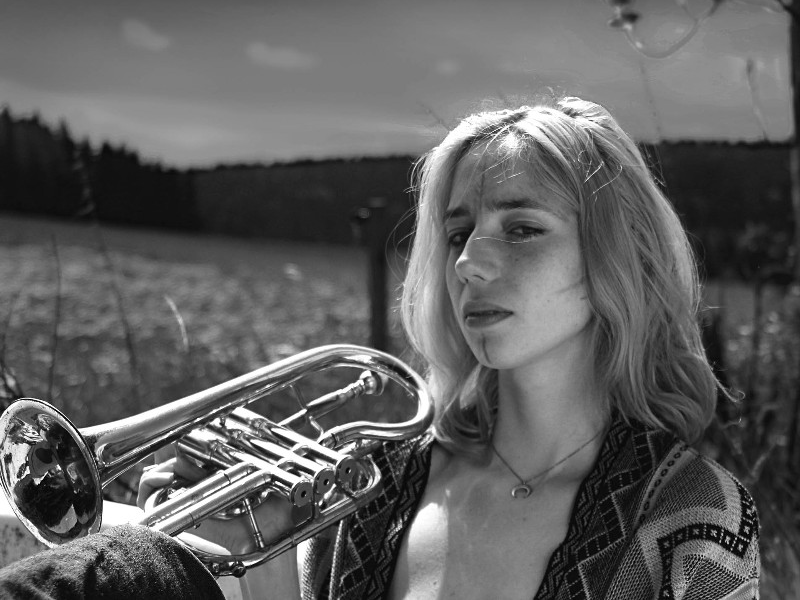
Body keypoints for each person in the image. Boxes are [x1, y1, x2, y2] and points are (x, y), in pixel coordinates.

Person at [1, 96, 759, 600]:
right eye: (457, 234)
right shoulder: (378, 480)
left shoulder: (693, 515)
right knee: (130, 572)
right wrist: (250, 553)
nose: (470, 263)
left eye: (522, 229)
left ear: (615, 258)